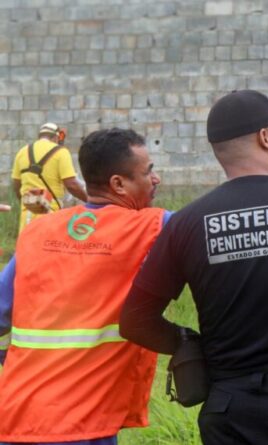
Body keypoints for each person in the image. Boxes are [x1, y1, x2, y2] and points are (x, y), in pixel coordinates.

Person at [119, 90, 268, 445]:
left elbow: (136, 320)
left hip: (230, 410)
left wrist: (192, 344)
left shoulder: (186, 223)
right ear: (265, 137)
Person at [0, 128, 165, 444]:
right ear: (117, 183)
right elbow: (204, 225)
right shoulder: (150, 226)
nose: (155, 179)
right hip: (81, 425)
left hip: (18, 417)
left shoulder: (36, 235)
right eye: (149, 171)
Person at [11, 122, 88, 233]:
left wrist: (25, 202)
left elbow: (17, 184)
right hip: (50, 215)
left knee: (26, 248)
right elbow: (71, 184)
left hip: (26, 215)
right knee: (47, 248)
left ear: (40, 136)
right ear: (56, 137)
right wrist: (89, 200)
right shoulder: (61, 152)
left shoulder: (22, 152)